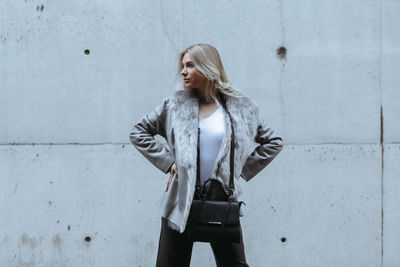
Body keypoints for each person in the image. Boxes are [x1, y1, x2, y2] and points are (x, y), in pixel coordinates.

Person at [129, 43, 283, 267]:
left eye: (190, 65)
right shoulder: (174, 106)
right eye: (182, 66)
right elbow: (138, 132)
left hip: (222, 199)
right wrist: (169, 163)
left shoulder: (241, 108)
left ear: (208, 67)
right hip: (180, 201)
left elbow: (274, 142)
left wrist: (239, 170)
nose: (183, 71)